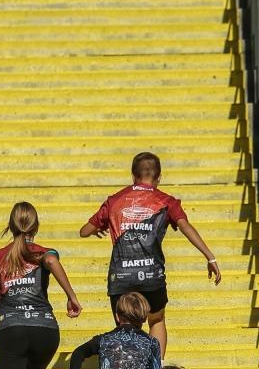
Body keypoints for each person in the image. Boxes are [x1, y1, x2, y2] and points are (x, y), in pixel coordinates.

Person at [78, 152, 221, 355]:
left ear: (132, 175)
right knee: (157, 319)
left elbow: (84, 231)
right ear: (159, 177)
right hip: (151, 275)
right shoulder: (166, 201)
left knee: (125, 327)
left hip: (121, 277)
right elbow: (186, 227)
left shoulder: (114, 201)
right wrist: (210, 256)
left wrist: (98, 228)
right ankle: (157, 368)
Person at [0, 201, 82, 369]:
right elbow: (51, 262)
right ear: (36, 226)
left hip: (10, 328)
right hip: (45, 329)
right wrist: (71, 297)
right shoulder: (45, 252)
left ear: (10, 226)